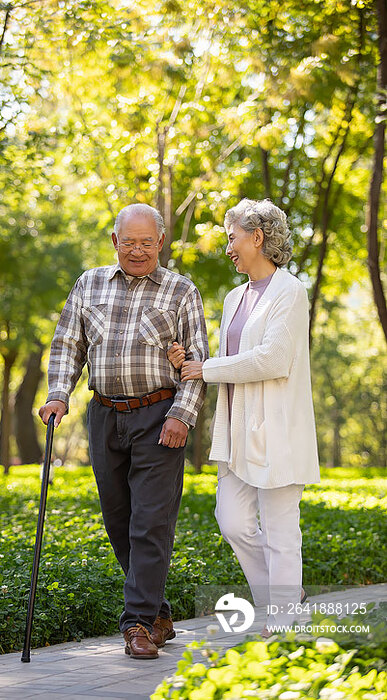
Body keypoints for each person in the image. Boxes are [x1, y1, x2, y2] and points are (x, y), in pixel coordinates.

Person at [39, 203, 208, 658]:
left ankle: (135, 624)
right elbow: (67, 345)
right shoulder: (89, 283)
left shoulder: (180, 290)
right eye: (128, 242)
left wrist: (182, 415)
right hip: (104, 414)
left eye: (146, 242)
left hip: (159, 416)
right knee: (119, 521)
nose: (137, 250)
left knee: (149, 522)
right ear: (115, 241)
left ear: (161, 242)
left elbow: (197, 362)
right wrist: (58, 394)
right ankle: (157, 613)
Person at [168, 198, 320, 634]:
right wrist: (192, 359)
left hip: (277, 430)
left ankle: (287, 617)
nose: (228, 247)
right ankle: (283, 600)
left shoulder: (289, 291)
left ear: (257, 237)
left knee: (279, 530)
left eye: (232, 237)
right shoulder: (235, 297)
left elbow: (273, 359)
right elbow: (232, 358)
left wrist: (207, 369)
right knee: (232, 521)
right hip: (235, 429)